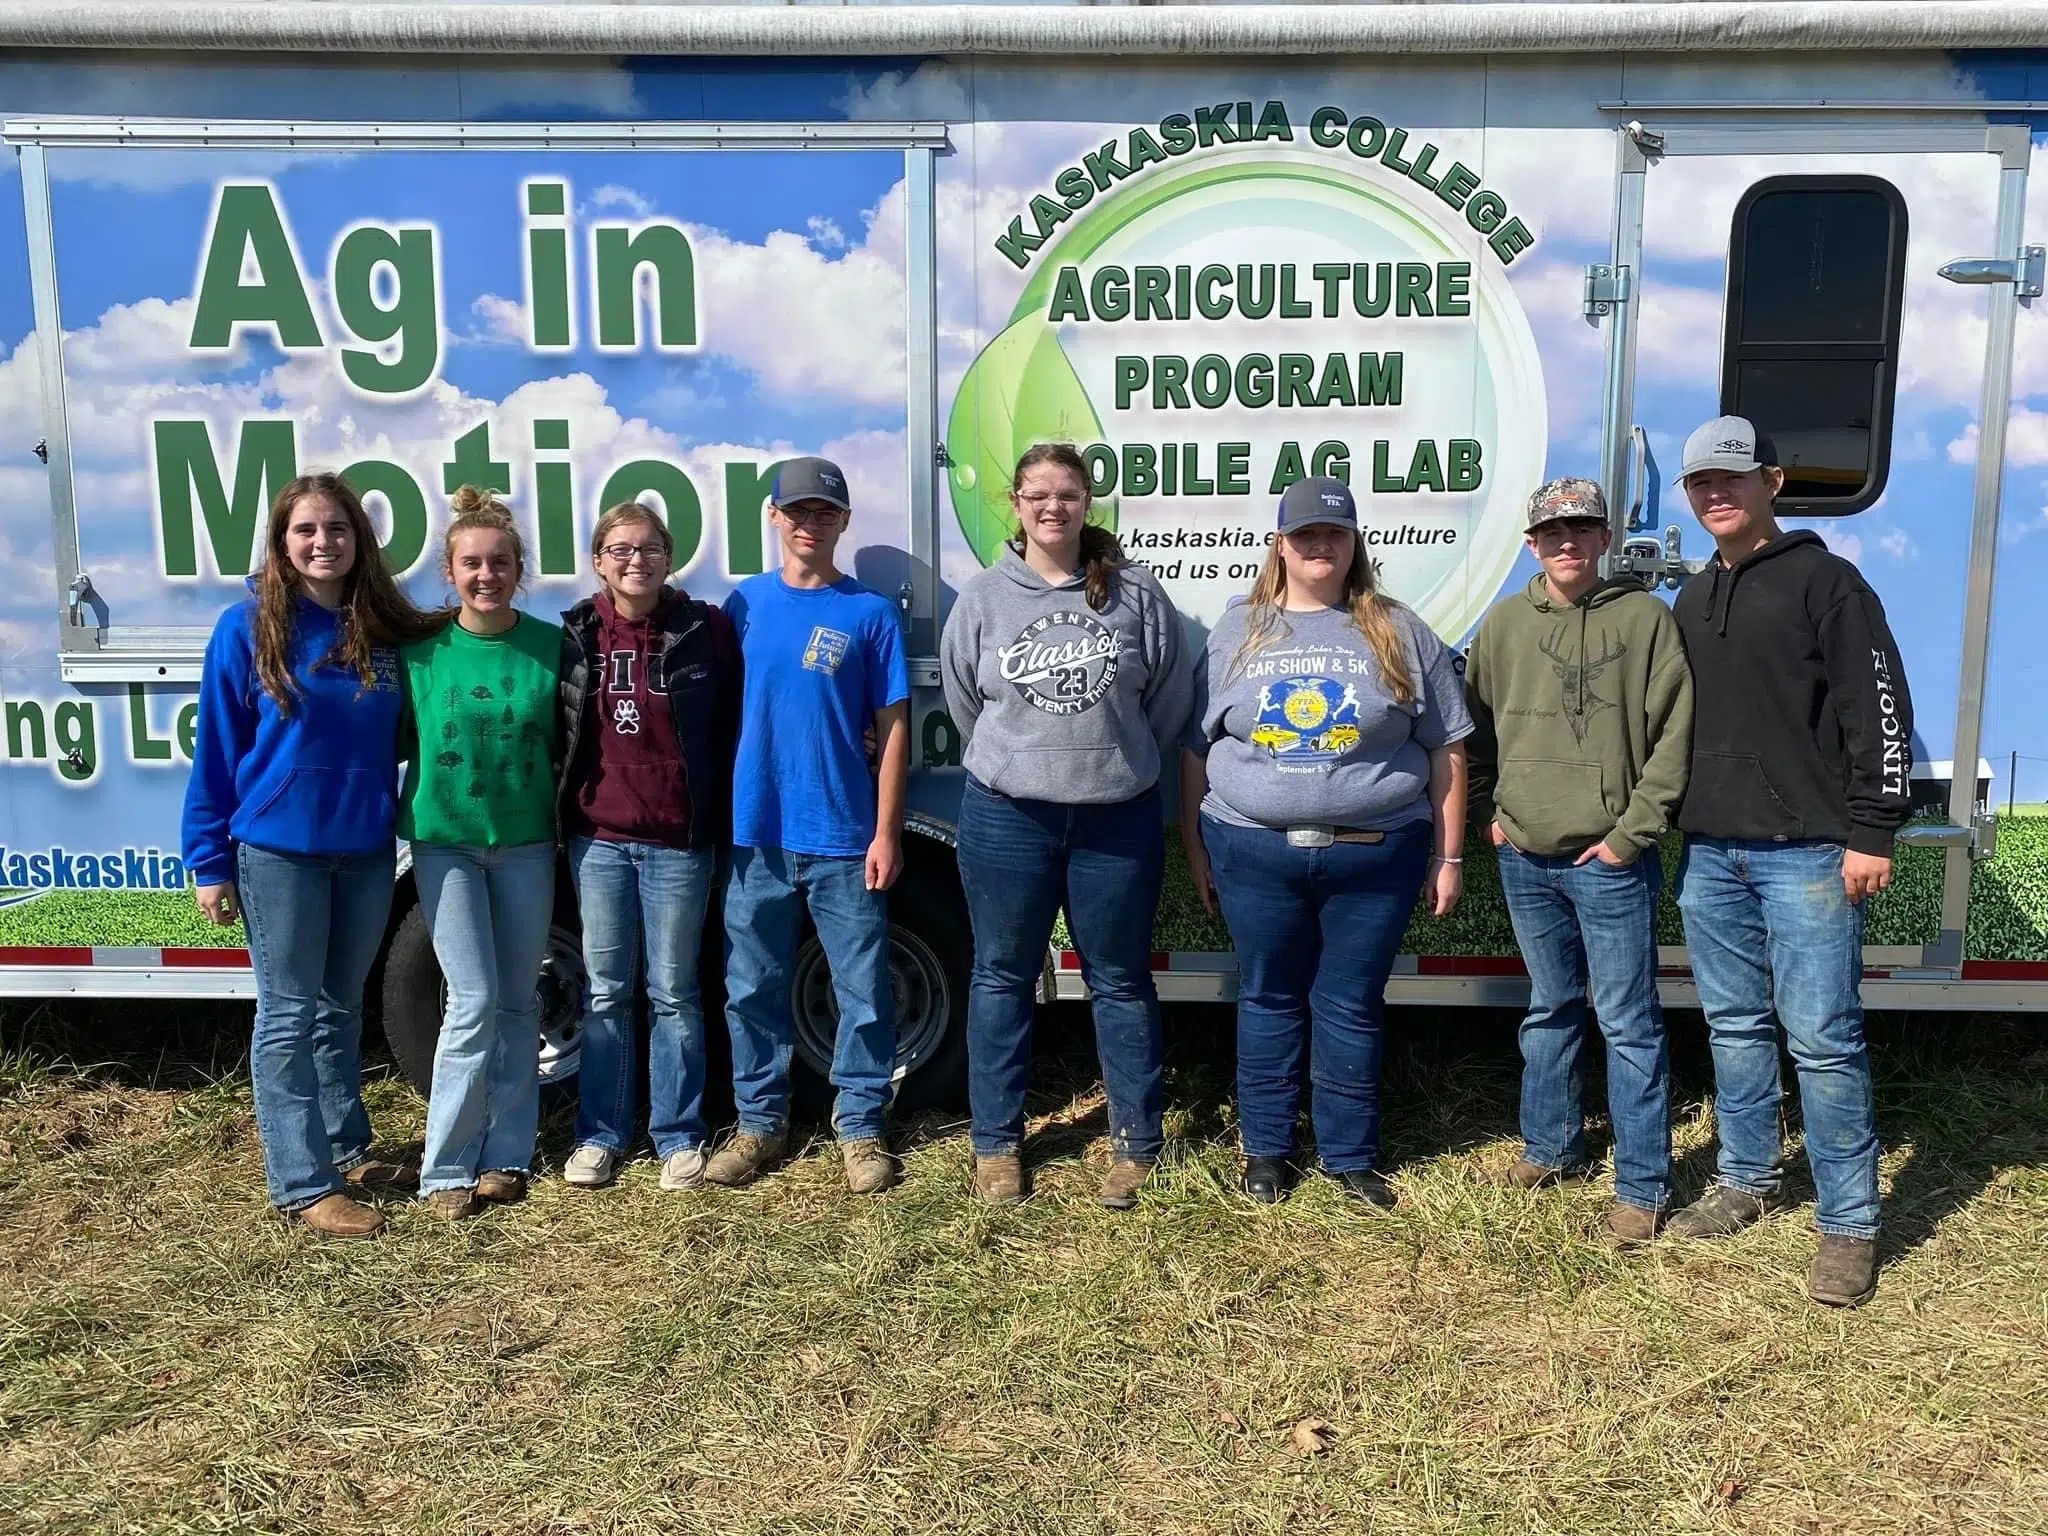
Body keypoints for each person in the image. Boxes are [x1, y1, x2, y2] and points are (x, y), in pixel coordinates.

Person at [1666, 416, 1913, 1306]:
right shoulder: (1692, 599)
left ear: (1772, 481)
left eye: (1731, 478)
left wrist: (1873, 830)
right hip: (1711, 853)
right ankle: (1747, 1179)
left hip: (1809, 854)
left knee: (1823, 1039)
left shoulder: (1829, 584)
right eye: (1700, 483)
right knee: (1734, 1029)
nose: (1714, 493)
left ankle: (1849, 1223)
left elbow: (1877, 706)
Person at [1182, 476, 1469, 1208]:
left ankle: (1348, 1158)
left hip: (1375, 854)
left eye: (1333, 534)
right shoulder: (1235, 631)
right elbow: (1195, 748)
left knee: (1349, 1003)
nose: (1319, 546)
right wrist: (1194, 847)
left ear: (1354, 544)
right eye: (1304, 534)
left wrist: (1449, 854)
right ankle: (1269, 1153)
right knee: (1269, 997)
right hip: (1252, 851)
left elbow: (1447, 749)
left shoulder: (1400, 630)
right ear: (1278, 545)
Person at [182, 472, 441, 1238]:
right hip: (279, 853)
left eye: (337, 529)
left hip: (363, 850)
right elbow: (217, 751)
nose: (323, 542)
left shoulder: (382, 629)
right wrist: (209, 860)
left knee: (336, 1010)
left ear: (359, 541)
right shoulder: (247, 627)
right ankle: (301, 1184)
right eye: (306, 530)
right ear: (282, 542)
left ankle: (348, 1150)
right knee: (289, 1016)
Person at [941, 442, 1194, 1210]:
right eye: (1037, 495)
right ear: (1015, 506)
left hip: (1115, 821)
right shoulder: (984, 598)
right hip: (1007, 817)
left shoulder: (1135, 594)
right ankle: (997, 1147)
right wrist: (1027, 759)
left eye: (1068, 495)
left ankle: (1135, 1145)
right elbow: (964, 700)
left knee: (1119, 981)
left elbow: (1167, 703)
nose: (1053, 507)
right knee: (1001, 978)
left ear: (1089, 504)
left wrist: (1103, 761)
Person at [1463, 477, 1693, 1246]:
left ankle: (1640, 1187)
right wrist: (1496, 815)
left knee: (1628, 1022)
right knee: (1550, 1009)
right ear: (1532, 544)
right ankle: (1551, 1149)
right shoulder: (1502, 627)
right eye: (1552, 532)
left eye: (1582, 530)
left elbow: (1674, 737)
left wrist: (1631, 835)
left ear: (1602, 540)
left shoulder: (1645, 620)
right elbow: (1477, 734)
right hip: (1525, 855)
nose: (1567, 542)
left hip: (1611, 861)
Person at [711, 456, 910, 1194]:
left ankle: (860, 1128)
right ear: (772, 516)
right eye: (796, 511)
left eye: (824, 513)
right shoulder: (743, 606)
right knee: (751, 987)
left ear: (844, 523)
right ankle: (759, 1125)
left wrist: (886, 831)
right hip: (755, 832)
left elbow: (893, 731)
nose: (808, 524)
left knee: (862, 989)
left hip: (843, 835)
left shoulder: (870, 613)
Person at [557, 501, 740, 1192]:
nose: (637, 560)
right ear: (600, 560)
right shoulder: (576, 634)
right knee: (606, 993)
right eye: (621, 549)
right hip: (599, 840)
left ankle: (677, 1134)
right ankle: (600, 1135)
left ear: (670, 557)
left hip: (677, 843)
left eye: (651, 548)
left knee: (673, 991)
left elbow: (734, 722)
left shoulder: (704, 629)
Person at [400, 487, 563, 1220]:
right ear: (449, 570)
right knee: (469, 1003)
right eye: (472, 563)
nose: (486, 574)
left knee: (519, 1000)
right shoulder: (422, 654)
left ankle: (505, 1155)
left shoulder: (551, 647)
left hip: (527, 844)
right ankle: (445, 1169)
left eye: (500, 562)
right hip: (448, 846)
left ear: (519, 568)